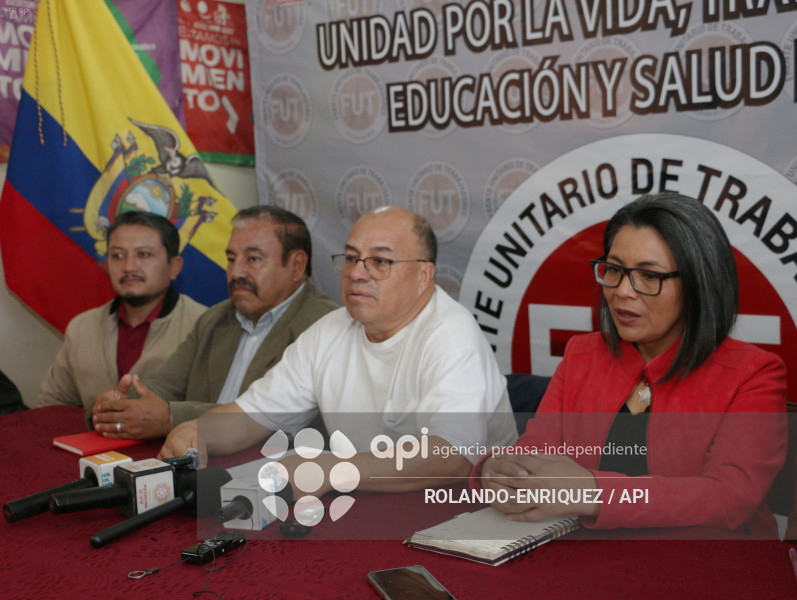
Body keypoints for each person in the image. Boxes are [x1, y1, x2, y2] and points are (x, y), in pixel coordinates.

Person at [477, 193, 787, 538]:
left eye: (648, 276)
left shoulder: (754, 373)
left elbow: (729, 497)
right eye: (614, 270)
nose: (622, 291)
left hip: (707, 564)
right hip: (583, 553)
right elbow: (536, 452)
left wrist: (592, 492)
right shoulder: (582, 354)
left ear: (699, 282)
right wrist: (499, 472)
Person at [158, 206, 517, 496]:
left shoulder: (451, 334)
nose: (357, 273)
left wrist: (336, 467)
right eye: (350, 258)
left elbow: (452, 458)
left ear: (424, 275)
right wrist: (196, 430)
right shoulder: (330, 330)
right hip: (368, 504)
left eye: (380, 261)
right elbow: (253, 415)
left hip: (460, 512)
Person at [91, 205, 338, 440]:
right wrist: (119, 404)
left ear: (296, 266)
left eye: (252, 259)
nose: (236, 272)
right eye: (231, 259)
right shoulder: (216, 317)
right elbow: (164, 384)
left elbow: (268, 418)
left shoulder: (326, 327)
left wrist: (171, 417)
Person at [38, 211, 205, 413]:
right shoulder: (82, 327)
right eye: (117, 256)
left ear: (174, 267)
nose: (128, 267)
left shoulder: (204, 327)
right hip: (92, 441)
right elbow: (52, 407)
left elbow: (218, 416)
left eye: (143, 254)